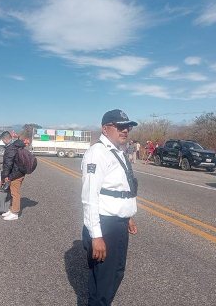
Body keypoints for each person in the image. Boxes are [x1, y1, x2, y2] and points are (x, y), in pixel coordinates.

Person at [81, 109, 138, 305]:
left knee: (115, 274)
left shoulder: (117, 151)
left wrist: (128, 215)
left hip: (117, 223)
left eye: (127, 127)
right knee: (104, 282)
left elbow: (119, 188)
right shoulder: (97, 154)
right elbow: (89, 197)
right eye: (120, 126)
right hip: (105, 225)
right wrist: (96, 236)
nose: (125, 130)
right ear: (105, 129)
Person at [0, 131, 26, 221]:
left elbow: (8, 164)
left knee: (15, 193)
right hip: (17, 172)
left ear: (6, 139)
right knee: (12, 192)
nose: (2, 142)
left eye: (2, 140)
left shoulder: (11, 148)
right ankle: (11, 210)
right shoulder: (15, 145)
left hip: (16, 174)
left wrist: (5, 177)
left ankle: (15, 213)